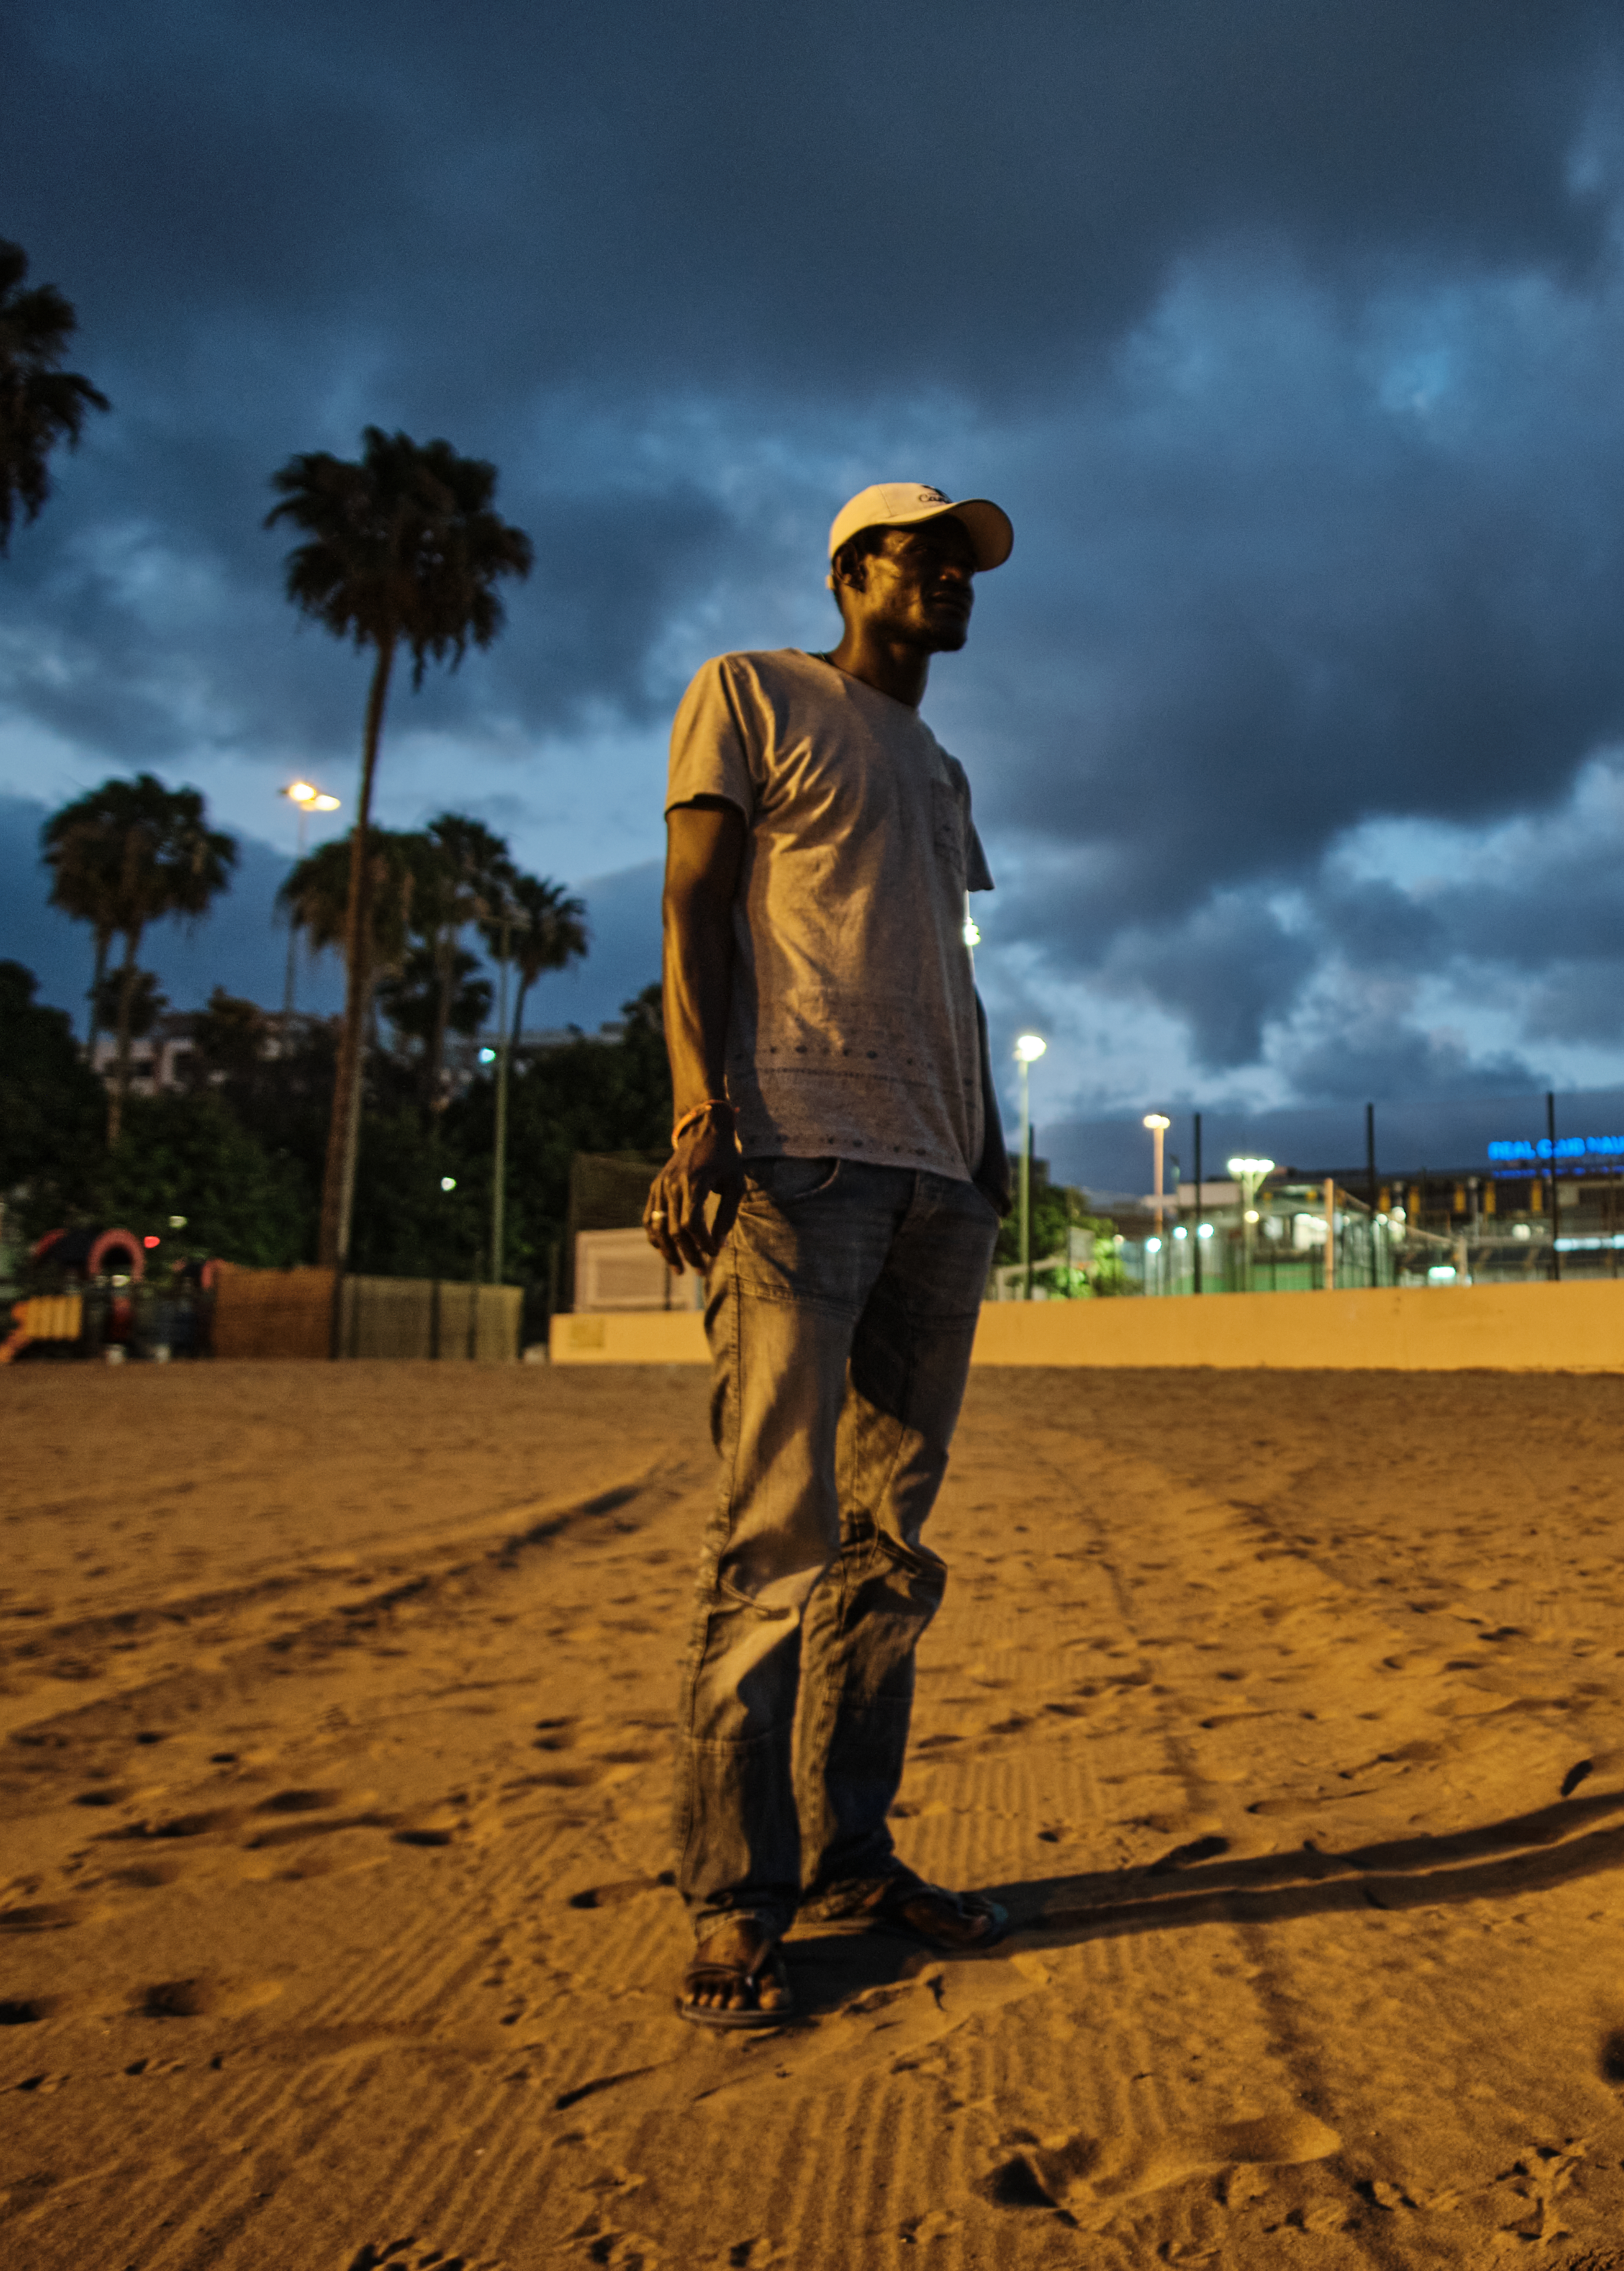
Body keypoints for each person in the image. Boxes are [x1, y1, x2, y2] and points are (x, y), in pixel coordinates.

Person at [644, 480, 1019, 2031]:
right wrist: (696, 1114)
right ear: (849, 572)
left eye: (962, 565)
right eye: (917, 557)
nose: (945, 580)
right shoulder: (752, 692)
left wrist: (991, 1155)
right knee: (776, 1544)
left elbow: (946, 964)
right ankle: (741, 1898)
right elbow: (695, 903)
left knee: (894, 1552)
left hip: (943, 1181)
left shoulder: (939, 766)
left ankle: (857, 1857)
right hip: (801, 1163)